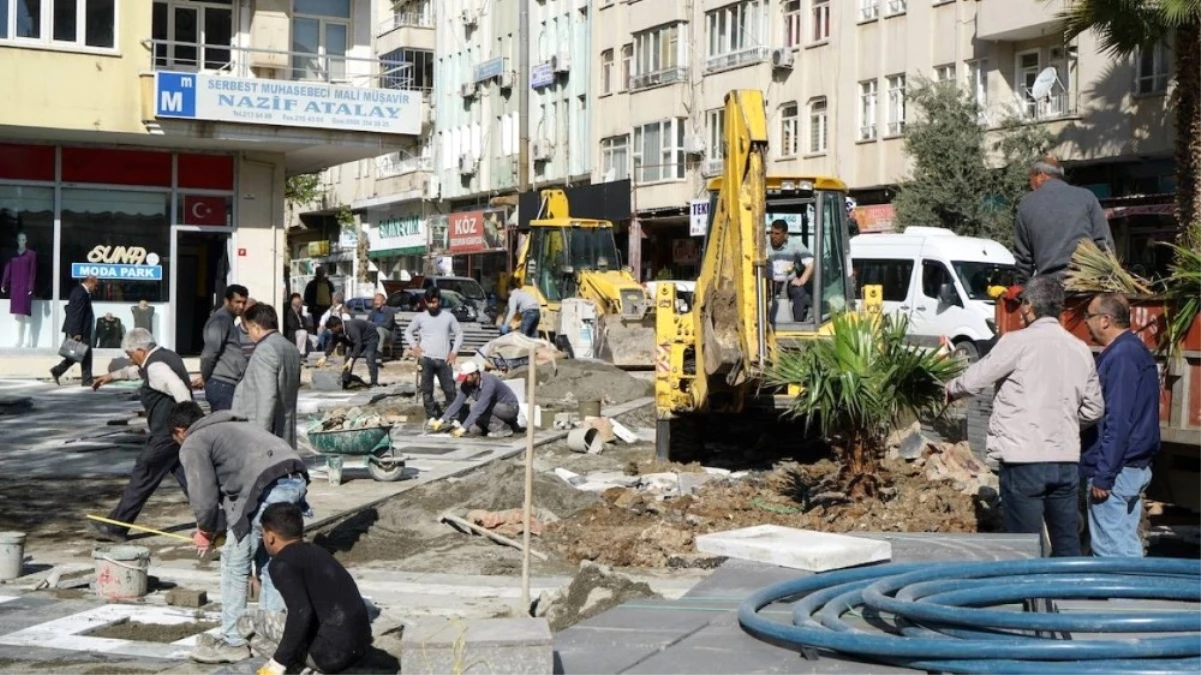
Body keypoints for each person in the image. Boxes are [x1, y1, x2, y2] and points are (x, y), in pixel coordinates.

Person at [945, 276, 1104, 557]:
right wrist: (1063, 423)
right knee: (1066, 541)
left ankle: (1033, 599)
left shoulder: (1016, 342)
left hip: (1024, 460)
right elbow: (1094, 409)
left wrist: (949, 389)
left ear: (1029, 307)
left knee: (1025, 547)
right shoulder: (1080, 348)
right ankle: (1069, 598)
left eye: (1022, 305)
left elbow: (973, 381)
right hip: (1065, 460)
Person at [168, 402, 309, 665]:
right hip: (294, 478)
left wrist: (205, 531)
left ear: (180, 430)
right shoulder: (234, 425)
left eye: (175, 439)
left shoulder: (194, 441)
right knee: (271, 565)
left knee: (234, 562)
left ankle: (233, 641)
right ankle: (270, 637)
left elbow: (204, 496)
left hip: (267, 487)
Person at [237, 503, 371, 674]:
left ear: (270, 536)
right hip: (359, 647)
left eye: (263, 533)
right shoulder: (318, 552)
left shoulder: (281, 563)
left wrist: (277, 664)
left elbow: (301, 612)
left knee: (246, 620)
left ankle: (301, 670)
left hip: (331, 656)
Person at [89, 328, 193, 542]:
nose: (130, 359)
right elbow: (138, 372)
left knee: (143, 474)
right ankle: (219, 521)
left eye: (130, 355)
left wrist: (186, 421)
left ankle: (117, 526)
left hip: (167, 433)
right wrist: (112, 376)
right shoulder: (163, 357)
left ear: (140, 350)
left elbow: (178, 388)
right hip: (174, 434)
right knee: (191, 481)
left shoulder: (156, 366)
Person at [1081, 293, 1162, 557]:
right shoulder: (1130, 351)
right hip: (1127, 468)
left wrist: (1104, 474)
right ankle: (1135, 595)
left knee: (1111, 553)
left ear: (1105, 320)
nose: (1085, 323)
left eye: (1089, 316)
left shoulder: (1122, 356)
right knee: (1125, 546)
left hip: (1117, 471)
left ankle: (1122, 599)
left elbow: (1117, 421)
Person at [1014, 156, 1115, 282]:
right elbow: (1104, 242)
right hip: (1086, 283)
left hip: (1049, 288)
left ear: (1040, 175)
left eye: (1030, 179)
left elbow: (1024, 259)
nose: (1030, 185)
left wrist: (1021, 288)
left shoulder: (1027, 204)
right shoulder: (1087, 197)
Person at [232, 304, 301, 448]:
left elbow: (267, 397)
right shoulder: (290, 348)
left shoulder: (265, 350)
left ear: (256, 327)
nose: (249, 335)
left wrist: (261, 438)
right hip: (285, 430)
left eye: (249, 329)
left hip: (266, 435)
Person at [405, 288, 464, 420]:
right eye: (429, 303)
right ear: (425, 302)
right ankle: (431, 416)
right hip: (426, 359)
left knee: (450, 390)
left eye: (434, 302)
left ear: (440, 301)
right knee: (427, 390)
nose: (432, 305)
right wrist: (415, 347)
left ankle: (454, 418)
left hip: (444, 360)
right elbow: (408, 332)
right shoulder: (420, 318)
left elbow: (459, 334)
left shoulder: (448, 317)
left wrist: (454, 352)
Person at [193, 285, 249, 411]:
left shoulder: (228, 320)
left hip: (226, 383)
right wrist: (205, 376)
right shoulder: (220, 320)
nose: (241, 306)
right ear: (226, 301)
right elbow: (210, 353)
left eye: (244, 302)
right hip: (222, 384)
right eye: (237, 302)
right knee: (225, 426)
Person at [430, 361, 522, 438]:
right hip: (493, 409)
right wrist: (441, 420)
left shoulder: (488, 382)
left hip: (509, 409)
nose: (464, 381)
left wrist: (463, 428)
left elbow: (479, 408)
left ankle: (503, 429)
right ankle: (511, 425)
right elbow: (457, 403)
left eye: (466, 378)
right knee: (475, 430)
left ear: (474, 374)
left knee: (474, 406)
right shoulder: (467, 384)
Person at [50, 274, 98, 386]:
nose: (95, 288)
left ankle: (57, 371)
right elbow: (77, 313)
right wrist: (77, 332)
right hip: (79, 330)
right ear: (90, 282)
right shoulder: (81, 293)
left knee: (78, 355)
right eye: (95, 285)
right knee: (81, 355)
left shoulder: (80, 291)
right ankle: (86, 380)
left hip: (80, 329)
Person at [768, 219, 814, 323]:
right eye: (771, 232)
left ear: (785, 234)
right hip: (768, 282)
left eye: (777, 233)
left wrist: (802, 280)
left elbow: (810, 262)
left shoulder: (794, 243)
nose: (773, 236)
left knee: (799, 292)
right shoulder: (764, 243)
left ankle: (798, 323)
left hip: (788, 281)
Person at [321, 315, 380, 387]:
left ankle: (374, 382)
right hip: (359, 339)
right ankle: (346, 380)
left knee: (370, 357)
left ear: (338, 325)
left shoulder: (351, 327)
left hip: (370, 338)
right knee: (347, 357)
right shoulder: (338, 331)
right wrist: (325, 356)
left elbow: (358, 344)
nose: (332, 331)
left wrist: (352, 359)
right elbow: (333, 343)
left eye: (333, 329)